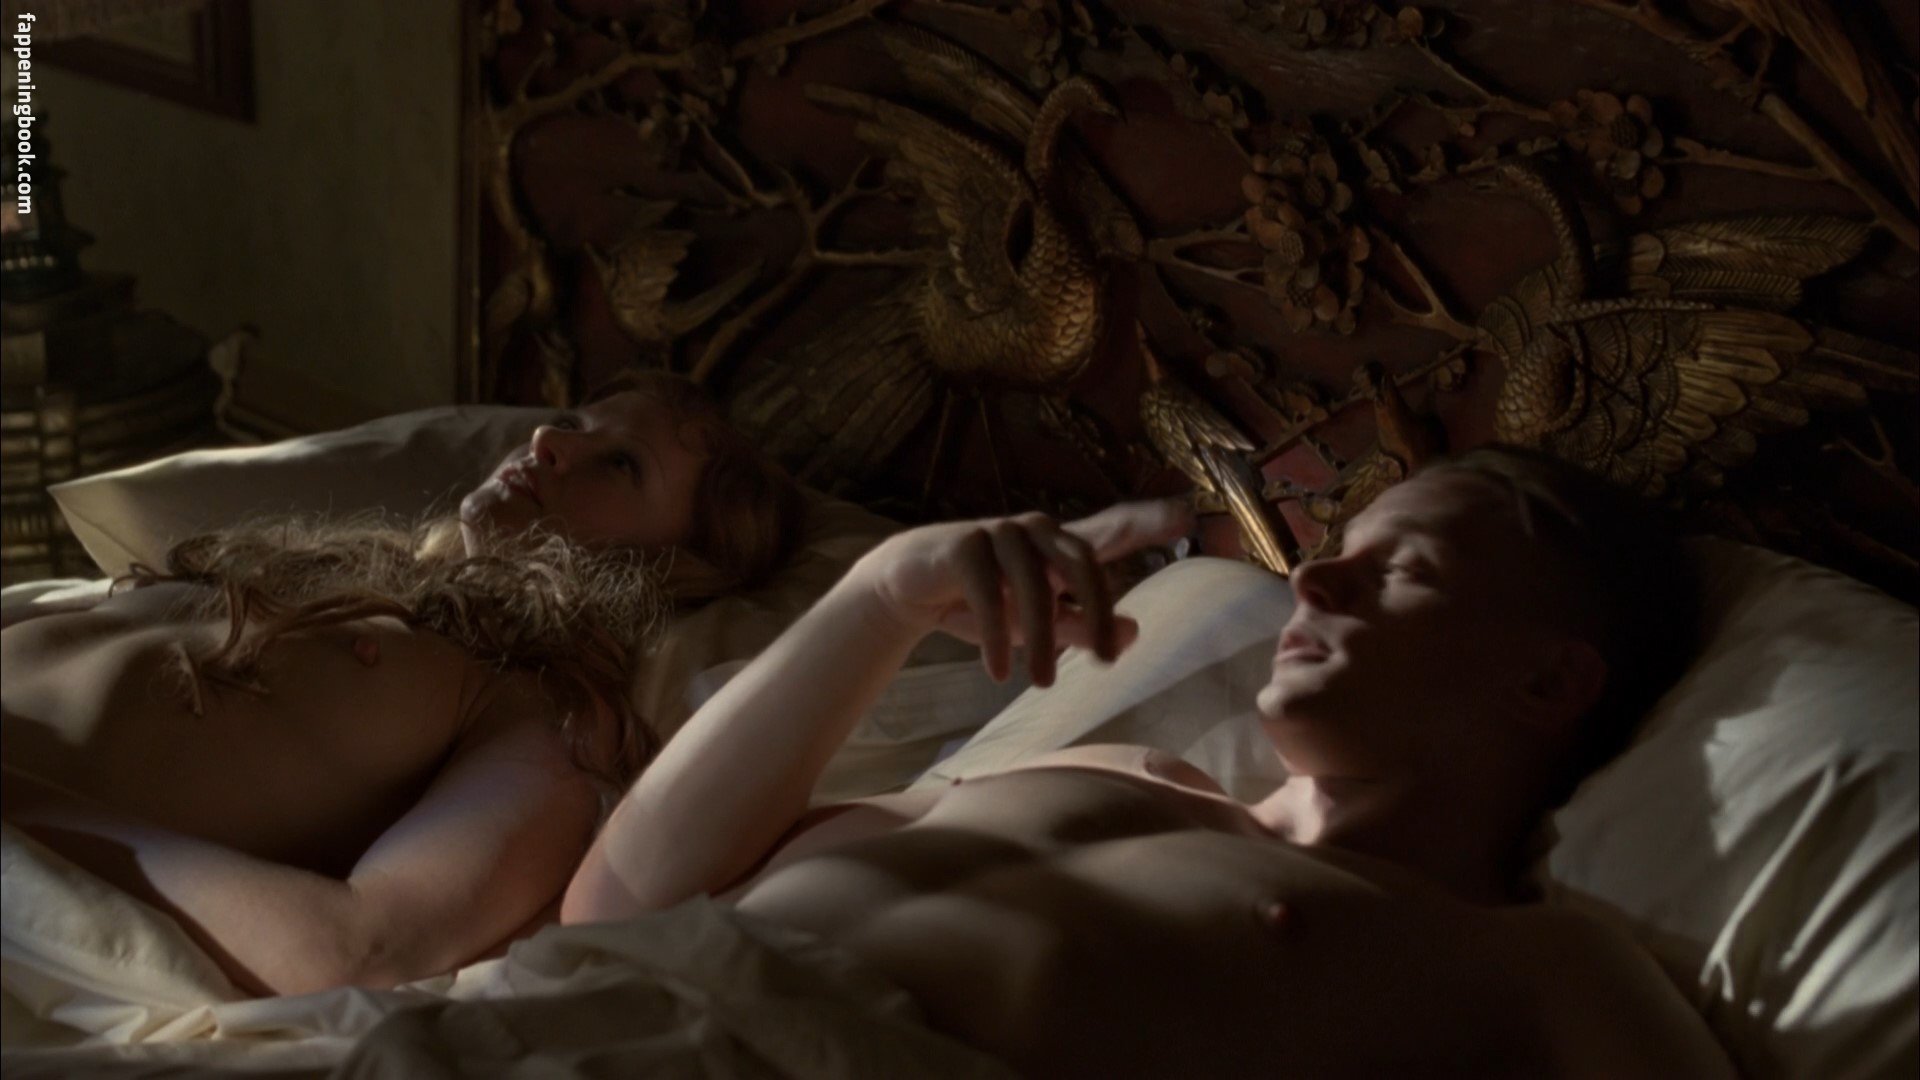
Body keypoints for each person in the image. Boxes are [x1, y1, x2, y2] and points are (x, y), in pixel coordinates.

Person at [562, 445, 1736, 1077]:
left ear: (1548, 683)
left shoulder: (1538, 964)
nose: (1314, 578)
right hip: (562, 1022)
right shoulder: (1109, 769)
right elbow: (620, 904)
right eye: (1339, 548)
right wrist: (881, 599)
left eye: (1406, 571)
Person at [0, 371, 803, 997]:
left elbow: (367, 946)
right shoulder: (329, 568)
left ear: (674, 569)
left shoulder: (537, 703)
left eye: (622, 464)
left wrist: (25, 810)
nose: (548, 440)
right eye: (573, 422)